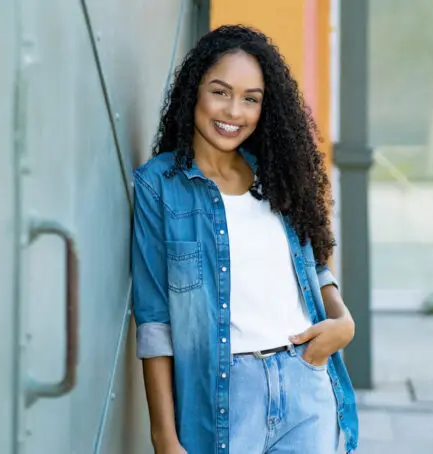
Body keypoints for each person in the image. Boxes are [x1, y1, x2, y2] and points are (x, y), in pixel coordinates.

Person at [131, 25, 359, 454]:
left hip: (305, 381)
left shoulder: (278, 176)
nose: (234, 111)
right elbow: (154, 321)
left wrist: (342, 321)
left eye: (251, 99)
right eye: (220, 91)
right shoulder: (158, 186)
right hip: (225, 396)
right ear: (193, 92)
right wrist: (163, 435)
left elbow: (314, 265)